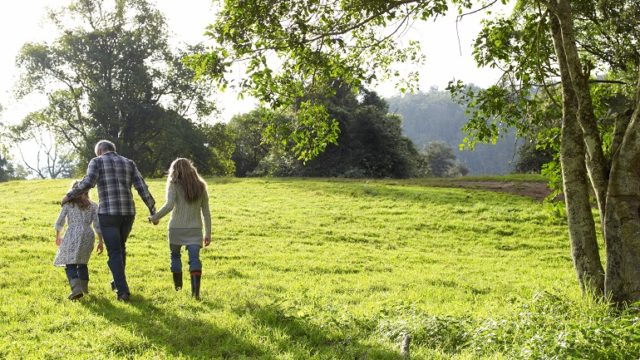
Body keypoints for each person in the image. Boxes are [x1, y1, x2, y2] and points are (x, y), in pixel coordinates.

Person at [62, 140, 156, 302]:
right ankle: (117, 282)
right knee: (120, 248)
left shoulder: (96, 161)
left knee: (114, 251)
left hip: (108, 213)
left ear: (99, 151)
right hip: (128, 213)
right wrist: (152, 210)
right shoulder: (129, 163)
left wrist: (70, 195)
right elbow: (142, 187)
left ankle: (122, 291)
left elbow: (88, 182)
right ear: (113, 150)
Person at [149, 158, 211, 300]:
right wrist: (208, 233)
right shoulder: (201, 186)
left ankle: (178, 289)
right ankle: (195, 294)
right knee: (195, 259)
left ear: (174, 170)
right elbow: (206, 212)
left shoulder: (174, 184)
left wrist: (155, 217)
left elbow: (169, 205)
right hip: (195, 229)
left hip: (176, 228)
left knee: (175, 257)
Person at [54, 181, 104, 300]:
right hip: (88, 234)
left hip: (72, 233)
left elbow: (60, 221)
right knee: (82, 262)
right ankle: (84, 290)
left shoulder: (68, 204)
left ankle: (76, 290)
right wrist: (100, 241)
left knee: (70, 262)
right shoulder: (93, 205)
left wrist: (58, 235)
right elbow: (97, 225)